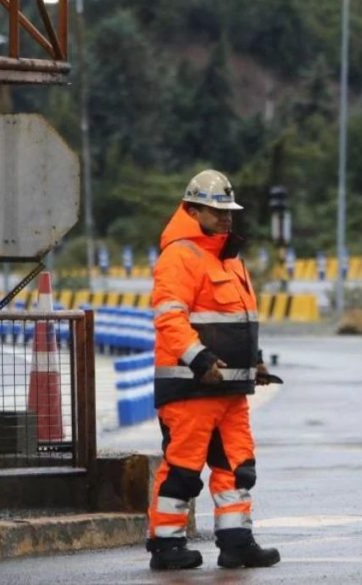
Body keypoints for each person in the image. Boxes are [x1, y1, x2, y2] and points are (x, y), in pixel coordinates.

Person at [146, 170, 281, 571]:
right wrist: (199, 358)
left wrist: (254, 362)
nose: (226, 218)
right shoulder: (180, 256)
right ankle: (166, 545)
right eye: (216, 211)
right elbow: (169, 318)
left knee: (238, 466)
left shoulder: (229, 258)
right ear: (192, 210)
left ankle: (236, 542)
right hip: (190, 386)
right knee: (184, 467)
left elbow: (239, 320)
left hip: (229, 390)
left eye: (229, 211)